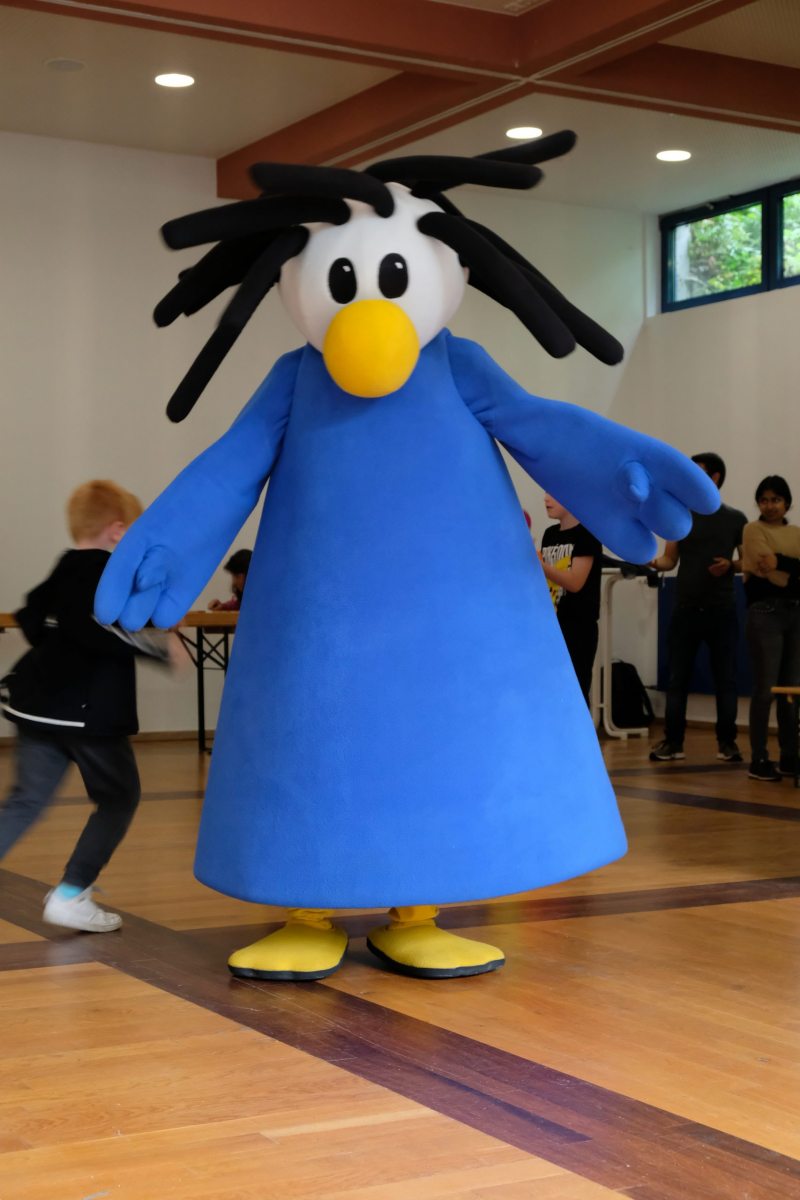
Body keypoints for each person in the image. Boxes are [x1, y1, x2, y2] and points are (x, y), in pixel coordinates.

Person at [0, 480, 183, 931]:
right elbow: (94, 629)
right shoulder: (106, 572)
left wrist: (54, 652)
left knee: (26, 800)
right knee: (119, 798)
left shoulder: (65, 565)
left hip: (36, 706)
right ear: (118, 531)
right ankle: (71, 894)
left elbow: (30, 613)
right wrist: (158, 648)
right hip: (86, 714)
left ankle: (72, 893)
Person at [648, 453, 746, 763]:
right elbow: (670, 560)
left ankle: (727, 743)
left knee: (726, 680)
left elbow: (747, 561)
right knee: (677, 679)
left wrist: (730, 565)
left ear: (714, 478)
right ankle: (673, 743)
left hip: (722, 609)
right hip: (685, 609)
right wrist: (649, 560)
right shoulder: (680, 516)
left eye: (697, 472)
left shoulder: (736, 518)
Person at [741, 475, 800, 782]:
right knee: (765, 689)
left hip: (796, 613)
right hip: (765, 612)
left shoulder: (796, 533)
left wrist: (781, 564)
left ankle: (790, 756)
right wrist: (791, 571)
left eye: (776, 499)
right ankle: (759, 758)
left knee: (792, 690)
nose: (770, 505)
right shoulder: (753, 530)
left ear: (787, 503)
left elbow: (777, 570)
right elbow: (767, 570)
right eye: (764, 500)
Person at [539, 495, 602, 703]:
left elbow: (575, 582)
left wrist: (541, 567)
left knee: (576, 692)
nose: (546, 499)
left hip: (578, 628)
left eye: (552, 494)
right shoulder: (549, 534)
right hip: (553, 625)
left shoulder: (587, 534)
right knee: (552, 690)